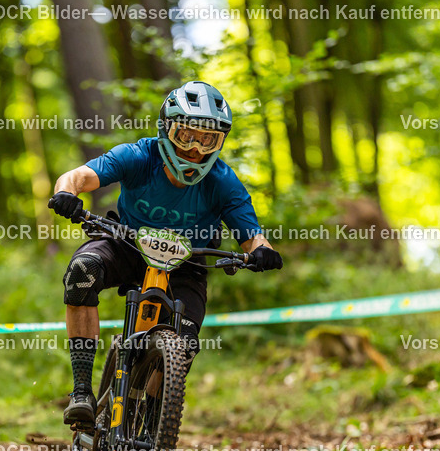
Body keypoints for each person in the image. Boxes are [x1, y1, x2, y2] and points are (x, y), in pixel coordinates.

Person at [49, 81, 283, 426]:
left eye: (207, 139)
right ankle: (82, 390)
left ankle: (156, 421)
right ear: (166, 129)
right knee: (83, 272)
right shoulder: (140, 156)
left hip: (185, 263)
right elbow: (78, 176)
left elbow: (252, 237)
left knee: (184, 342)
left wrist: (263, 253)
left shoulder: (223, 181)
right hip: (126, 243)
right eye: (186, 134)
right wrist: (66, 193)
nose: (194, 148)